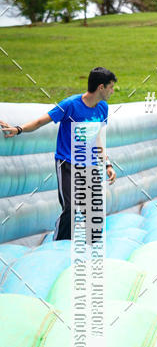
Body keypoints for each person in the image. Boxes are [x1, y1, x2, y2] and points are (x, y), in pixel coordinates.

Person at [0, 67, 117, 240]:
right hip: (67, 164)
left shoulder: (102, 108)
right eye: (111, 87)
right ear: (101, 87)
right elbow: (41, 121)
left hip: (90, 164)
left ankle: (91, 248)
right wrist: (18, 129)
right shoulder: (70, 105)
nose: (112, 91)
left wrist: (106, 163)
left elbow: (98, 138)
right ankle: (59, 245)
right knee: (71, 207)